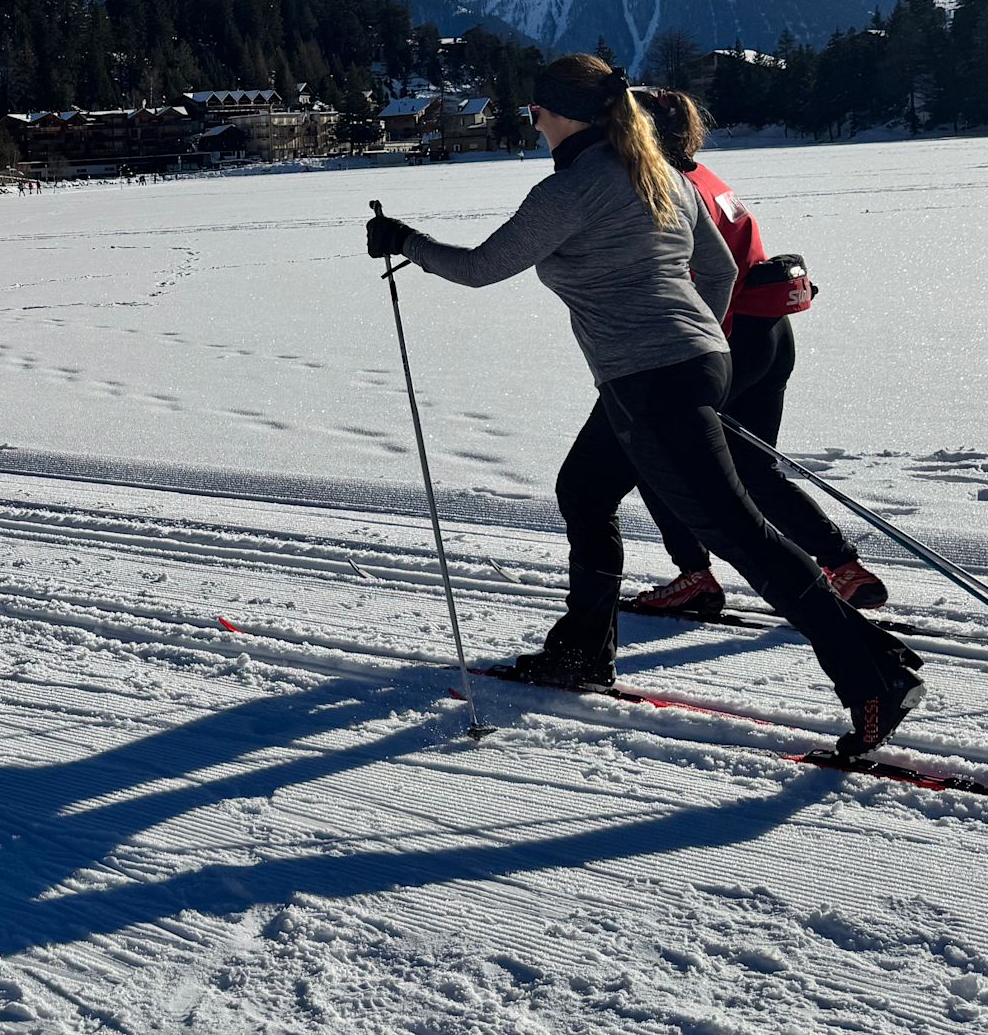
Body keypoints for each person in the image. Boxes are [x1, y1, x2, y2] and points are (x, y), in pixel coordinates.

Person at [365, 54, 924, 756]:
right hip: (689, 364)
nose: (532, 123)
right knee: (586, 488)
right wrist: (692, 343)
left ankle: (874, 678)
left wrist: (403, 241)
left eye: (534, 111)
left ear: (557, 113)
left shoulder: (568, 192)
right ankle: (581, 654)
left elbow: (479, 269)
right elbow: (719, 269)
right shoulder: (657, 174)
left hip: (652, 377)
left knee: (741, 534)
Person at [623, 89, 890, 620]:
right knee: (752, 467)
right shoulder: (707, 178)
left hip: (726, 339)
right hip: (769, 333)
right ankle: (843, 566)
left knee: (657, 455)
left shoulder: (664, 189)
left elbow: (696, 277)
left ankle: (695, 576)